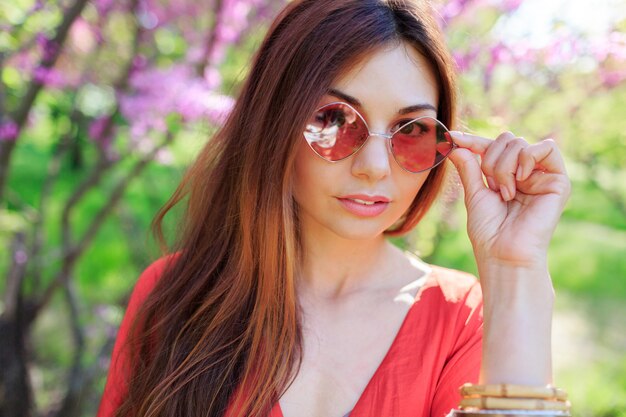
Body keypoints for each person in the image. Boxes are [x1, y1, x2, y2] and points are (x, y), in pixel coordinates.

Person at [96, 1, 572, 417]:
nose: (373, 167)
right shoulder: (176, 294)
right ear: (274, 122)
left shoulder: (461, 316)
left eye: (412, 131)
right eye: (334, 120)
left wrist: (514, 269)